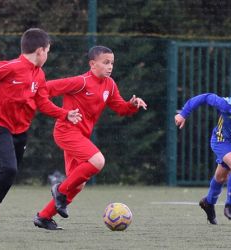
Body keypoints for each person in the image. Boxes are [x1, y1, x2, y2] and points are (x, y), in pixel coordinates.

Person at [0, 28, 82, 234]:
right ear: (40, 51)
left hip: (21, 130)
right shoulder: (10, 67)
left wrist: (65, 114)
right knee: (9, 169)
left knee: (9, 173)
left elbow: (43, 103)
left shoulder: (39, 74)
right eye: (47, 51)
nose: (47, 56)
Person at [33, 45, 147, 230]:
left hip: (80, 135)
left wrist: (132, 104)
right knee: (98, 161)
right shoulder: (81, 82)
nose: (110, 66)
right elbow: (45, 88)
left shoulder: (109, 85)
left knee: (78, 184)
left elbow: (121, 108)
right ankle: (59, 190)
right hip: (66, 132)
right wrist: (61, 112)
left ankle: (44, 217)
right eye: (106, 62)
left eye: (112, 63)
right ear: (93, 64)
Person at [174, 71, 231, 225]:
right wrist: (183, 114)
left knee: (221, 177)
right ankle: (230, 206)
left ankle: (208, 202)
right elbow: (205, 97)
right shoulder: (227, 104)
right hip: (220, 140)